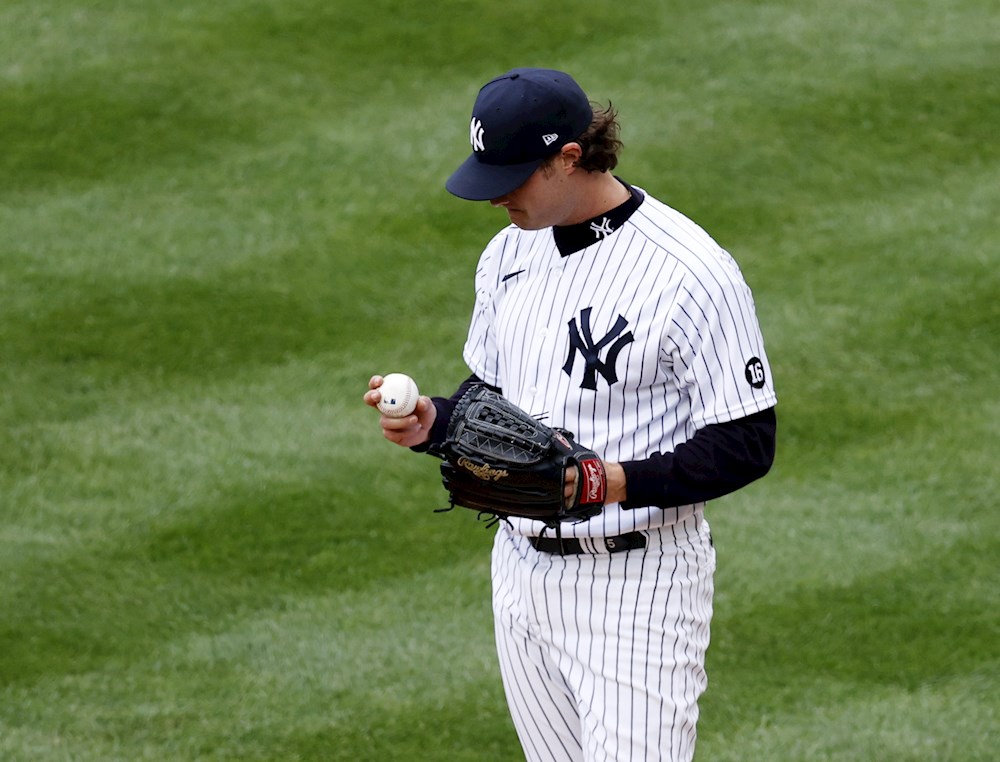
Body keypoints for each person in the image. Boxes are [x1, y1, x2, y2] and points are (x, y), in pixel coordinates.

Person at [364, 68, 777, 762]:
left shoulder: (690, 272)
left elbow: (745, 443)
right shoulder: (506, 253)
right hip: (521, 574)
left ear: (570, 158)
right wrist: (435, 420)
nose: (496, 196)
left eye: (514, 177)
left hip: (636, 589)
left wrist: (605, 483)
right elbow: (493, 397)